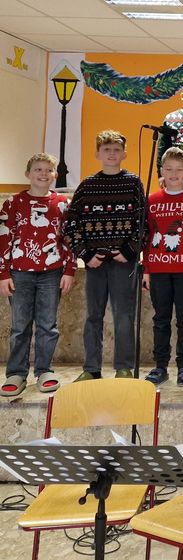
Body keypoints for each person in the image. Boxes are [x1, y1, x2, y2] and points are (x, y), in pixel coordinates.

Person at [64, 130, 146, 381]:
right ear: (97, 154)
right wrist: (85, 253)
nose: (111, 154)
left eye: (116, 150)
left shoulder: (133, 183)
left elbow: (143, 222)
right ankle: (91, 368)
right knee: (93, 316)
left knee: (124, 316)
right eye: (106, 149)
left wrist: (129, 250)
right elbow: (70, 224)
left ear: (124, 154)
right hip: (95, 263)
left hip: (124, 262)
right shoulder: (87, 186)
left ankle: (124, 368)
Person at [0, 153, 75, 397]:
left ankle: (44, 370)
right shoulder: (13, 203)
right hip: (19, 273)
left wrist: (69, 270)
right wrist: (3, 273)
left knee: (48, 325)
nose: (43, 174)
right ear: (28, 174)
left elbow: (69, 239)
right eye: (38, 169)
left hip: (52, 273)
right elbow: (4, 238)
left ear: (55, 175)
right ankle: (16, 373)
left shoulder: (62, 203)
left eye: (48, 170)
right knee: (19, 326)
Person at [142, 147, 183, 387]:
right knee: (161, 318)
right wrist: (146, 269)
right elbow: (148, 237)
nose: (173, 173)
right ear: (161, 171)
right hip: (158, 268)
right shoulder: (152, 200)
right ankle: (160, 366)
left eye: (179, 169)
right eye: (169, 169)